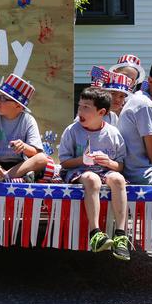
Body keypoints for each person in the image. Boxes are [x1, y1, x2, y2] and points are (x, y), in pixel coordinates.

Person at [58, 87, 130, 261]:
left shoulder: (113, 133)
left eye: (86, 108)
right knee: (92, 179)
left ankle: (121, 235)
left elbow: (119, 166)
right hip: (78, 172)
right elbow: (64, 163)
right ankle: (95, 233)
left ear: (101, 112)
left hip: (105, 171)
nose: (80, 111)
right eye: (79, 106)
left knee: (118, 180)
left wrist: (108, 162)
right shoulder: (72, 130)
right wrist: (82, 160)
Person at [0, 73, 51, 182]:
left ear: (18, 106)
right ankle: (9, 177)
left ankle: (3, 176)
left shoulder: (28, 120)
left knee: (42, 159)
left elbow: (36, 152)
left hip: (17, 165)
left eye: (4, 98)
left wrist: (24, 147)